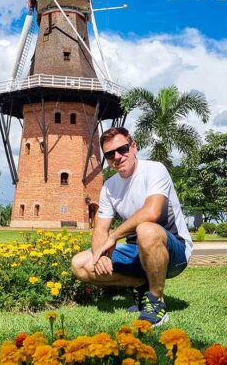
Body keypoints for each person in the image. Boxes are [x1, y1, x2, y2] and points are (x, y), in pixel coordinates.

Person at [71, 127, 193, 327]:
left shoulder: (154, 169)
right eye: (110, 155)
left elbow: (152, 212)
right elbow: (100, 229)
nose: (117, 157)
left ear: (133, 146)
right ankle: (141, 284)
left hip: (174, 252)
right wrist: (99, 254)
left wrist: (113, 238)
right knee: (80, 264)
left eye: (123, 149)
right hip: (137, 252)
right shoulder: (109, 187)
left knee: (146, 229)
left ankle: (156, 303)